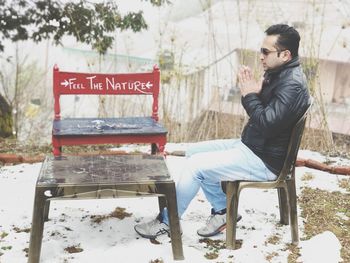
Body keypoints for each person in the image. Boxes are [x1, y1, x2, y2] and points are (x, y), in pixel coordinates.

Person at [134, 24, 310, 239]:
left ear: (285, 54)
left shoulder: (292, 85)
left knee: (195, 166)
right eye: (261, 50)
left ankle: (168, 221)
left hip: (264, 160)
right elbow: (268, 117)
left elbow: (267, 124)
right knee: (194, 153)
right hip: (253, 146)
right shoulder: (279, 73)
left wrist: (249, 96)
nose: (261, 56)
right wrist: (257, 92)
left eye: (266, 52)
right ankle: (222, 211)